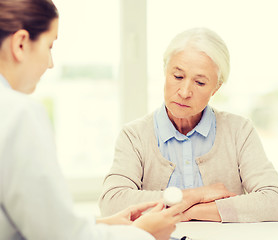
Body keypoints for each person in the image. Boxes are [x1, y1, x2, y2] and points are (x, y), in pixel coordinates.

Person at [0, 0, 191, 239]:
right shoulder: (18, 113)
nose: (50, 64)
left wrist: (103, 224)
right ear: (20, 44)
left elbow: (35, 222)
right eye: (49, 46)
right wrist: (143, 234)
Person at [99, 27, 278, 223]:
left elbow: (275, 202)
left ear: (216, 88)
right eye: (178, 77)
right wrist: (198, 195)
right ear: (165, 72)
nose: (184, 92)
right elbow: (112, 204)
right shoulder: (134, 135)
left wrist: (187, 211)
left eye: (199, 82)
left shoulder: (239, 131)